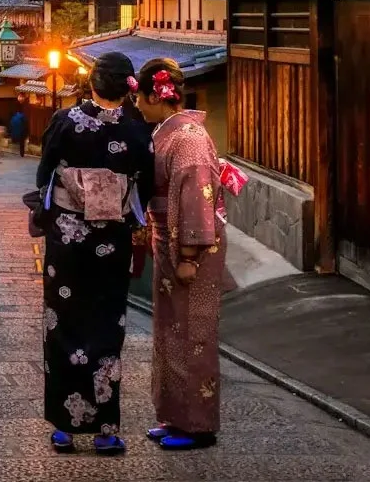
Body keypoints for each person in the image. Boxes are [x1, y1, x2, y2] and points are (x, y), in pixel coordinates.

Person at [34, 52, 153, 456]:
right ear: (127, 87)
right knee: (105, 326)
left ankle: (64, 429)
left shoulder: (65, 121)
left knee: (63, 323)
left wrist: (56, 207)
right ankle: (106, 430)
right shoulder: (137, 130)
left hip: (68, 239)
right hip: (111, 241)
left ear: (92, 82)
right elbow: (145, 186)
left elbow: (45, 174)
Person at [134, 58, 234, 451]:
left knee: (193, 334)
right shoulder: (169, 131)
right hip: (169, 240)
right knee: (171, 330)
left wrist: (190, 254)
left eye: (139, 99)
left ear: (154, 96)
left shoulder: (188, 138)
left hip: (191, 247)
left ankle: (198, 425)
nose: (137, 107)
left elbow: (196, 199)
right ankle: (174, 415)